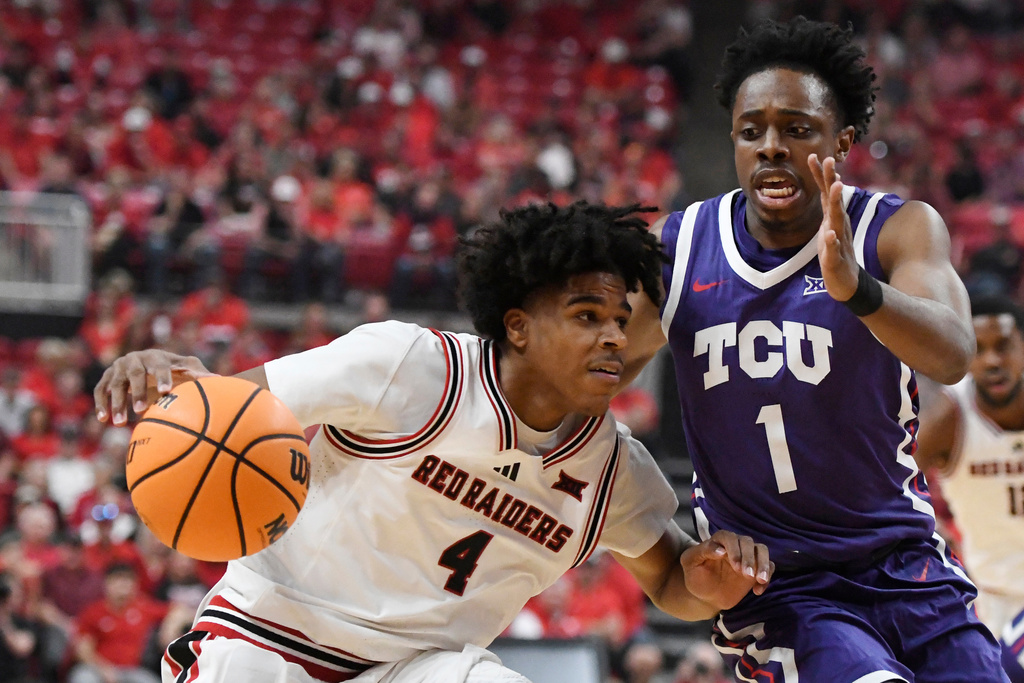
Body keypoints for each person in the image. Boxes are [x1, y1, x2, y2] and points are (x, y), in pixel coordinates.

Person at [94, 201, 774, 683]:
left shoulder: (615, 468)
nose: (614, 339)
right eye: (587, 315)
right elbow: (229, 409)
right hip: (271, 634)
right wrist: (167, 376)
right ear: (518, 326)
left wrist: (708, 582)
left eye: (621, 321)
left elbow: (672, 580)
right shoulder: (408, 366)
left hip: (418, 668)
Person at [621, 16, 1006, 683]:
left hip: (905, 562)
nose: (771, 147)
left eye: (797, 129)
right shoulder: (677, 250)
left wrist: (859, 291)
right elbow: (590, 376)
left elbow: (951, 353)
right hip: (782, 585)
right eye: (752, 131)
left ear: (843, 140)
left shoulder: (896, 230)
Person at [914, 294, 1024, 677]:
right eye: (980, 350)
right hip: (990, 599)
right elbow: (887, 485)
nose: (993, 361)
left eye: (1005, 346)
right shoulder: (948, 416)